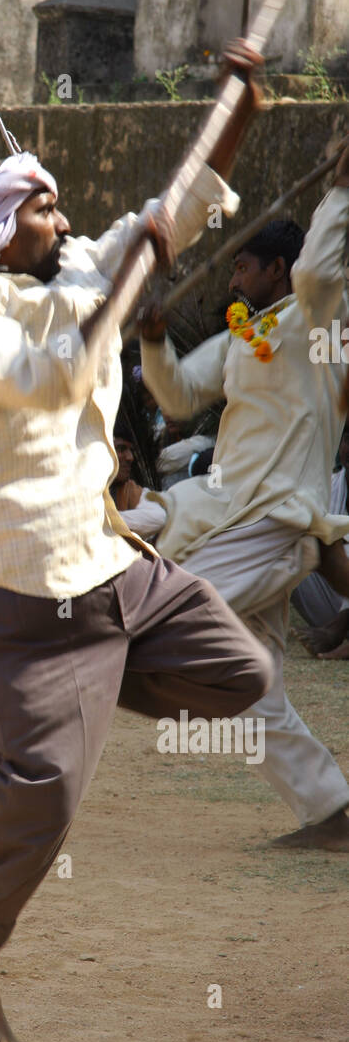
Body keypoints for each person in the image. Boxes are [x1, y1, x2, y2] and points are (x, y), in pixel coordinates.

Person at [0, 41, 272, 1042]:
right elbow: (52, 382)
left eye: (61, 209)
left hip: (114, 570)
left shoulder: (75, 266)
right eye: (41, 210)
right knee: (44, 791)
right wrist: (122, 274)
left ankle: (102, 677)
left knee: (240, 674)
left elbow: (183, 197)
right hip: (16, 592)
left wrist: (236, 101)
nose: (61, 223)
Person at [138, 145, 349, 850]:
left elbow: (321, 267)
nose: (231, 274)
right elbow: (176, 394)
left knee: (167, 615)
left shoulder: (318, 321)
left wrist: (340, 191)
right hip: (237, 520)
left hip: (279, 521)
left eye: (241, 264)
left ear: (276, 271)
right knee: (254, 694)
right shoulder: (244, 338)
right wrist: (155, 341)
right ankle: (332, 813)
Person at [291, 420, 349, 658]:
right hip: (332, 600)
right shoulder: (327, 487)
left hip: (340, 620)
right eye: (348, 440)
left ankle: (337, 632)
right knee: (287, 540)